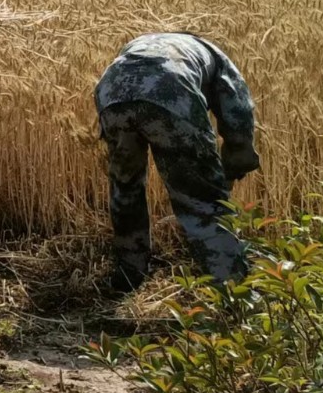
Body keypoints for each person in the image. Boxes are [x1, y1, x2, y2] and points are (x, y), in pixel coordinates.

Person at [94, 32, 260, 292]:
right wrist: (236, 161)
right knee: (202, 201)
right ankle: (232, 288)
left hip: (112, 93)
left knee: (125, 187)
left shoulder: (144, 44)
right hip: (170, 93)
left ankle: (129, 274)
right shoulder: (214, 56)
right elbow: (239, 110)